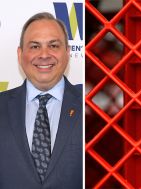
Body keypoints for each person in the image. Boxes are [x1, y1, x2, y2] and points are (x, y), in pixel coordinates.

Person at [0, 12, 82, 188]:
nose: (44, 55)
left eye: (53, 45)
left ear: (67, 52)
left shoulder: (90, 106)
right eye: (35, 47)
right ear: (20, 53)